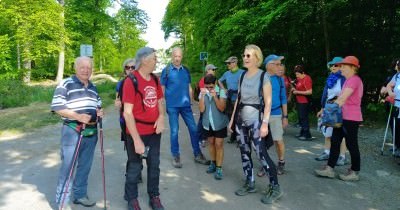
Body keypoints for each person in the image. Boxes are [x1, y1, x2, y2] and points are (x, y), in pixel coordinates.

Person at [229, 44, 283, 204]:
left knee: (261, 154)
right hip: (240, 120)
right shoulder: (242, 76)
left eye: (248, 56)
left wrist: (265, 124)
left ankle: (275, 187)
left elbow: (268, 102)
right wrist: (232, 120)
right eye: (244, 55)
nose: (245, 58)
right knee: (244, 152)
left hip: (256, 121)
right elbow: (238, 98)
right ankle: (249, 182)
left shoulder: (263, 77)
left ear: (256, 58)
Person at [52, 56, 103, 209]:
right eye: (82, 67)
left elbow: (98, 105)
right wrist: (78, 116)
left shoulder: (93, 87)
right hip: (72, 130)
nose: (86, 70)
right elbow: (57, 107)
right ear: (75, 68)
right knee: (68, 167)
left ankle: (80, 195)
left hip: (91, 132)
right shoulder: (66, 83)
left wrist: (100, 112)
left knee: (85, 166)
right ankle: (62, 203)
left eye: (89, 67)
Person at [122, 47, 165, 210]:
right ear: (145, 60)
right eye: (154, 58)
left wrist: (161, 116)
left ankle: (154, 196)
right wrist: (137, 140)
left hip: (154, 132)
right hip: (136, 133)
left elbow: (160, 100)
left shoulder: (155, 79)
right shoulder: (131, 81)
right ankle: (131, 199)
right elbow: (127, 113)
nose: (156, 61)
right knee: (135, 167)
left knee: (154, 166)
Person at [315, 56, 363, 181]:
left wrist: (328, 111)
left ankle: (355, 171)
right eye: (340, 66)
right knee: (335, 142)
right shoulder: (348, 80)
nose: (341, 68)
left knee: (352, 144)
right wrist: (326, 109)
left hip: (351, 118)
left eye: (343, 66)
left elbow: (342, 99)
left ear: (353, 68)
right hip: (342, 117)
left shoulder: (354, 80)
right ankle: (330, 169)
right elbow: (339, 99)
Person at [160, 47, 209, 168]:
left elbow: (189, 87)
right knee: (174, 131)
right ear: (172, 57)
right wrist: (162, 105)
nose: (177, 58)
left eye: (179, 56)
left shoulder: (186, 70)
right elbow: (161, 90)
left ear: (182, 57)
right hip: (172, 106)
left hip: (186, 106)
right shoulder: (166, 71)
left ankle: (197, 154)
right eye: (175, 56)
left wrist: (192, 101)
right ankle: (176, 155)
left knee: (193, 129)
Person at [315, 57, 347, 166]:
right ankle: (326, 152)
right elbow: (326, 95)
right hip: (329, 108)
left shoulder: (345, 79)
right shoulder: (330, 78)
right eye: (332, 65)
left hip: (340, 108)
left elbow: (346, 96)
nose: (333, 67)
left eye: (336, 65)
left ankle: (342, 157)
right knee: (328, 132)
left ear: (342, 66)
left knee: (340, 133)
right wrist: (322, 108)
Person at [261, 54, 288, 176]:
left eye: (280, 64)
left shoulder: (280, 79)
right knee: (262, 142)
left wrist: (285, 116)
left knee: (278, 140)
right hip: (262, 114)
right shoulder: (260, 77)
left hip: (276, 113)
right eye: (277, 64)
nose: (280, 67)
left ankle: (281, 162)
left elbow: (283, 98)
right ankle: (264, 164)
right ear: (269, 66)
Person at [199, 74, 228, 180]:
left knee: (219, 144)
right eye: (207, 87)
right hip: (208, 123)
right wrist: (202, 96)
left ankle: (219, 168)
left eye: (211, 87)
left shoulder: (221, 91)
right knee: (211, 143)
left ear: (215, 83)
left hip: (219, 123)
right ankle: (213, 163)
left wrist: (215, 96)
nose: (209, 89)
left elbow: (222, 108)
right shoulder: (203, 92)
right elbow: (201, 110)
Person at [219, 56, 245, 143]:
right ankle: (233, 136)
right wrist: (223, 89)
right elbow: (219, 81)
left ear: (235, 63)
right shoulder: (226, 73)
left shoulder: (243, 73)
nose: (227, 65)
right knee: (230, 118)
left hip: (240, 99)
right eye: (227, 63)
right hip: (230, 99)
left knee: (239, 118)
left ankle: (240, 137)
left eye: (229, 63)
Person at [197, 64, 218, 148]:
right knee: (202, 121)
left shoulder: (215, 80)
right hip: (205, 105)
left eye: (214, 70)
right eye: (213, 70)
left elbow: (218, 90)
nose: (214, 71)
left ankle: (207, 137)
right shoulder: (203, 80)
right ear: (208, 70)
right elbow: (204, 92)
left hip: (213, 104)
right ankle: (200, 138)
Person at [291, 65, 313, 140]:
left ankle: (307, 134)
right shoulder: (299, 79)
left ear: (303, 72)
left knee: (304, 117)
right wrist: (294, 88)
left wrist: (297, 92)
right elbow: (297, 86)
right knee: (301, 117)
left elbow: (310, 92)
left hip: (304, 101)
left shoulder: (307, 79)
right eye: (296, 74)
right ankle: (302, 132)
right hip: (299, 101)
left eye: (298, 74)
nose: (297, 76)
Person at [386, 59, 400, 157]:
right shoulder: (397, 76)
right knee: (397, 127)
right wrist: (390, 93)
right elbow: (389, 85)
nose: (395, 66)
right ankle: (398, 146)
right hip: (396, 105)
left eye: (397, 64)